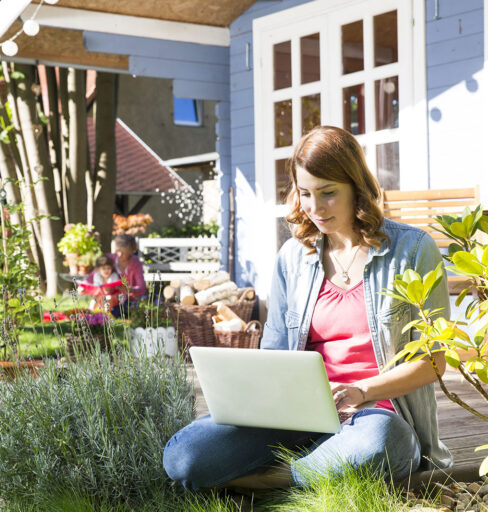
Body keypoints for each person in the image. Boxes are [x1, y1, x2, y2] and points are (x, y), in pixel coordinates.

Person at [162, 126, 453, 490]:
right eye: (305, 193)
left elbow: (434, 360)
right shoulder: (293, 259)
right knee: (184, 456)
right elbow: (274, 353)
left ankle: (273, 480)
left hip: (377, 415)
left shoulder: (411, 250)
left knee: (377, 445)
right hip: (299, 415)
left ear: (356, 188)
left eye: (328, 193)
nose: (314, 208)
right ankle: (312, 469)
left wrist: (362, 391)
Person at [107, 234, 147, 318]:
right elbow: (93, 276)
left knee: (123, 312)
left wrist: (130, 290)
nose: (120, 254)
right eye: (117, 251)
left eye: (124, 252)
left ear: (131, 251)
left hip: (129, 301)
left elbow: (142, 287)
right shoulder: (110, 259)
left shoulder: (135, 263)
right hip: (111, 299)